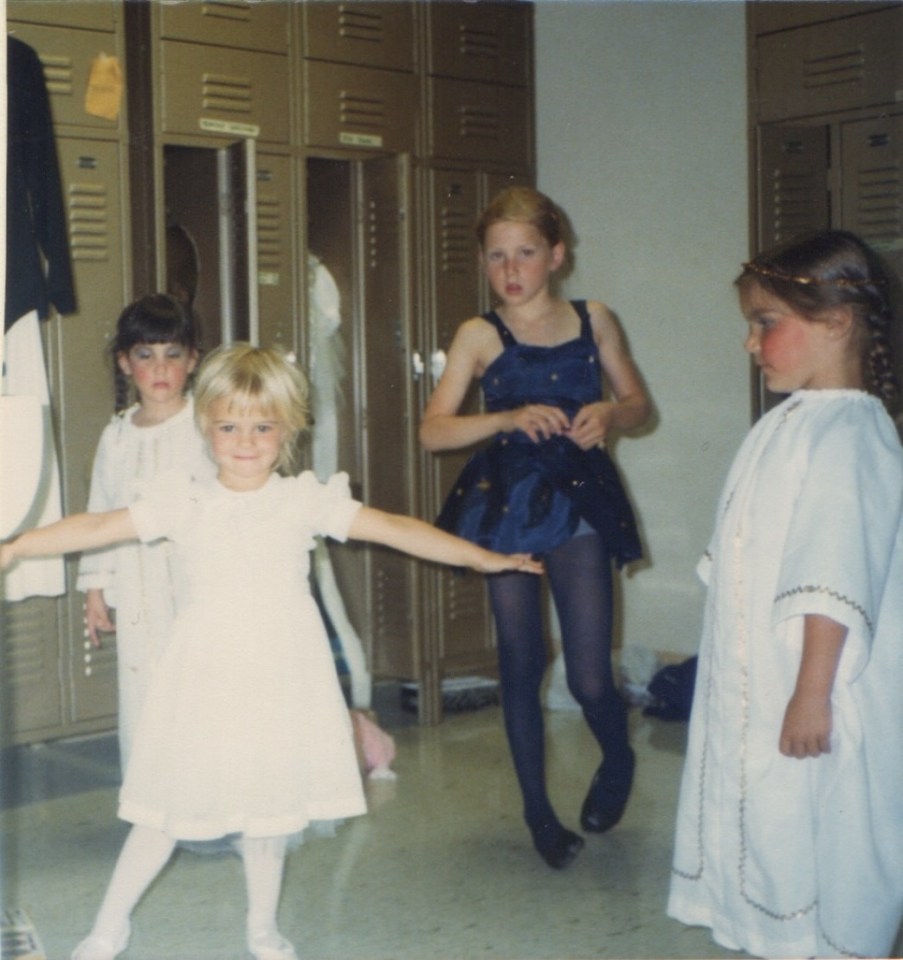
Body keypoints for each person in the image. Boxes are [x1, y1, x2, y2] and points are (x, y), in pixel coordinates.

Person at [1, 343, 542, 960]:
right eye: (229, 425)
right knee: (163, 806)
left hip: (282, 676)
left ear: (287, 430)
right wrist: (19, 546)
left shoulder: (303, 500)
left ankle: (261, 924)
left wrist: (484, 558)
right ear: (205, 427)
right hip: (205, 674)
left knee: (269, 809)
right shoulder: (185, 498)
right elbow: (98, 527)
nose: (245, 440)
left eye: (263, 426)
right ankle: (109, 926)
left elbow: (396, 528)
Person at [667, 230, 903, 958]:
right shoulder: (788, 425)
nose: (751, 343)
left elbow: (830, 581)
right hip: (763, 679)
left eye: (765, 323)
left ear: (834, 322)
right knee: (769, 822)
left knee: (825, 830)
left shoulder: (850, 435)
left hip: (814, 685)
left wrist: (811, 694)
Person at [419, 186, 651, 869]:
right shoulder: (478, 334)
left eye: (524, 254)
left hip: (580, 499)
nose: (510, 270)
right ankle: (538, 816)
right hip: (508, 503)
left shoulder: (594, 319)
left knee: (586, 676)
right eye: (496, 257)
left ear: (556, 255)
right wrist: (501, 418)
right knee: (519, 662)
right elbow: (433, 432)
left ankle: (617, 757)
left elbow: (637, 403)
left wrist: (609, 415)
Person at [76, 294, 216, 773]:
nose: (160, 369)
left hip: (196, 583)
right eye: (144, 355)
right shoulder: (116, 436)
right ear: (124, 362)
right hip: (138, 586)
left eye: (172, 354)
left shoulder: (206, 426)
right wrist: (96, 585)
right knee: (145, 687)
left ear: (193, 361)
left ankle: (210, 795)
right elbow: (102, 509)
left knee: (200, 683)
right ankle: (154, 794)